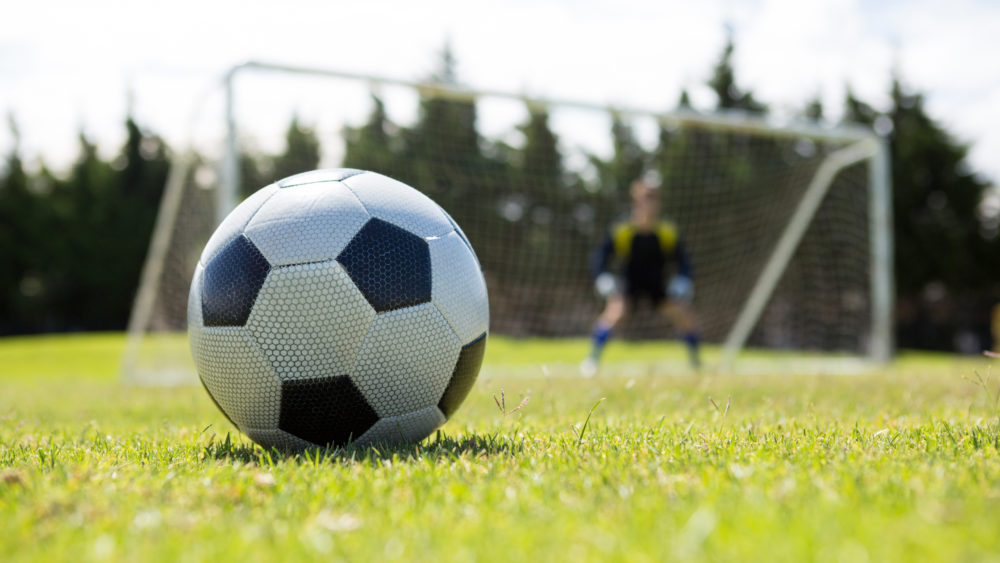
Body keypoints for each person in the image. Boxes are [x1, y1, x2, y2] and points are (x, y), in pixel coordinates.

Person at [581, 174, 701, 376]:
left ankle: (696, 362)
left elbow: (683, 260)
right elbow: (600, 255)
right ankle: (592, 360)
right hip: (630, 282)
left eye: (654, 198)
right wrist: (601, 277)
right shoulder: (622, 229)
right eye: (646, 197)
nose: (650, 203)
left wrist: (683, 279)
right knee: (614, 313)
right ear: (636, 201)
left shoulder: (667, 231)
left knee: (684, 316)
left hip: (657, 283)